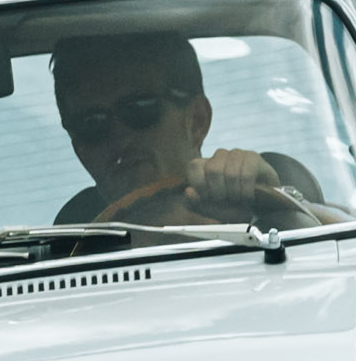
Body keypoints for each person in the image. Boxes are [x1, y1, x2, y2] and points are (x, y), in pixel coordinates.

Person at [48, 33, 333, 231]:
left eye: (139, 109)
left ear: (197, 120)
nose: (119, 135)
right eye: (92, 124)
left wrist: (274, 204)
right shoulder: (60, 265)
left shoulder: (260, 221)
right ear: (80, 150)